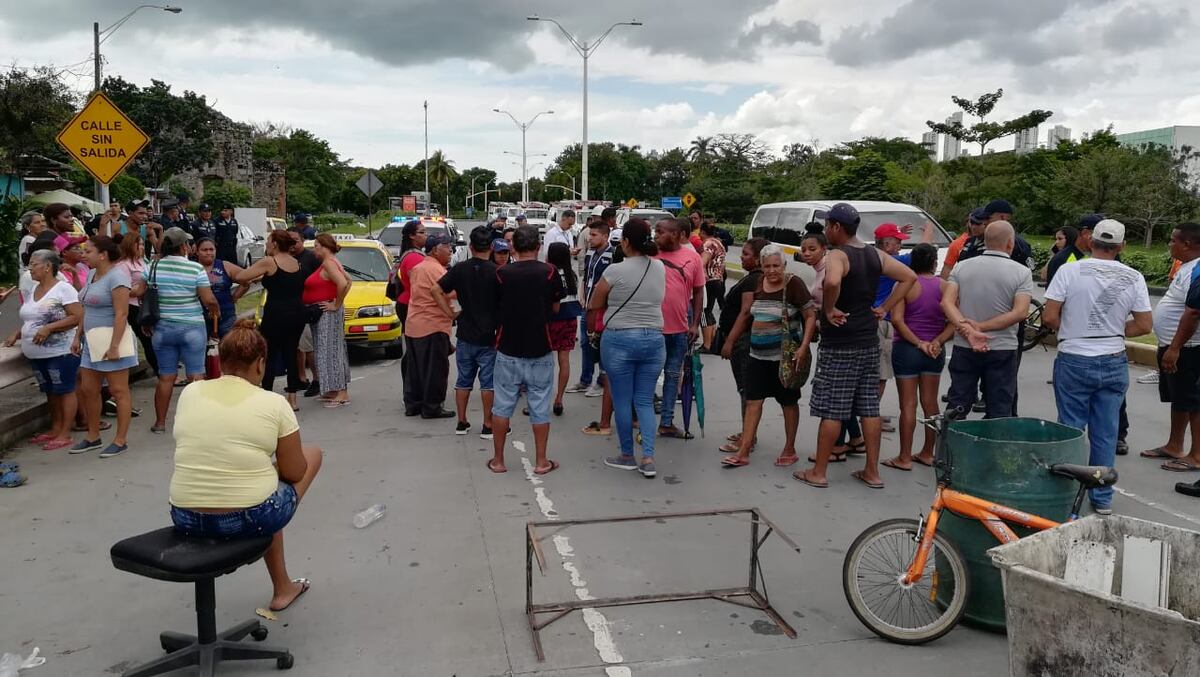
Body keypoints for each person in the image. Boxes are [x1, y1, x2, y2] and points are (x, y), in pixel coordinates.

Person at [169, 318, 323, 612]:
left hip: (185, 516)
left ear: (222, 362)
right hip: (250, 517)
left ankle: (282, 587)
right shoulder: (274, 403)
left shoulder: (191, 392)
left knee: (260, 481)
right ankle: (281, 589)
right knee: (310, 455)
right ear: (260, 364)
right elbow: (294, 473)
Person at [795, 203, 916, 490]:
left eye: (828, 226)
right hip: (867, 340)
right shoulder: (874, 254)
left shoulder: (839, 254)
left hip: (841, 343)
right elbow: (908, 277)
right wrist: (883, 307)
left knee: (834, 410)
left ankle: (819, 472)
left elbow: (833, 280)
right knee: (869, 408)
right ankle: (872, 472)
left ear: (837, 227)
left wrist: (829, 307)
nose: (826, 231)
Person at [1043, 219, 1151, 515]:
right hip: (1113, 356)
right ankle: (1102, 499)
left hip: (1075, 355)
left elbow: (1050, 318)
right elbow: (1144, 324)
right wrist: (1114, 330)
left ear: (1091, 242)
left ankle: (1066, 496)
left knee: (1072, 427)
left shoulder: (1068, 270)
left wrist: (1074, 329)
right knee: (1106, 431)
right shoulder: (1134, 276)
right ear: (1122, 246)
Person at [719, 244, 817, 468]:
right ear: (761, 267)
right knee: (754, 402)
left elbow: (810, 315)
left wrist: (802, 347)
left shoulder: (793, 284)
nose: (772, 270)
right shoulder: (758, 283)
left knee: (788, 403)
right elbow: (747, 315)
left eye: (776, 265)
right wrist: (730, 341)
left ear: (784, 265)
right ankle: (744, 450)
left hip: (784, 359)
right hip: (757, 356)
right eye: (767, 266)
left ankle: (789, 448)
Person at [588, 219, 665, 478]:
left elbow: (595, 304)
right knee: (644, 400)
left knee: (622, 400)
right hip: (654, 338)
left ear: (626, 242)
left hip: (620, 338)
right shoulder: (660, 267)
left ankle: (626, 455)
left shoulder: (614, 271)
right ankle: (649, 458)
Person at [487, 224, 565, 475]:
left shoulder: (501, 274)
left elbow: (496, 308)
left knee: (501, 406)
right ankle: (541, 461)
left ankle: (498, 460)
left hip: (507, 347)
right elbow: (555, 308)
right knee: (540, 406)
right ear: (538, 246)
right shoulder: (550, 272)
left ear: (513, 247)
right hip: (540, 347)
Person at [941, 221, 1034, 419]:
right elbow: (1020, 312)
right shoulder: (1022, 273)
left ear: (984, 241)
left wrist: (968, 329)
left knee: (957, 403)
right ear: (1010, 243)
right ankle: (994, 447)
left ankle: (950, 446)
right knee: (999, 407)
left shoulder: (961, 268)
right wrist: (982, 327)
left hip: (965, 345)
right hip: (1002, 347)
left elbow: (947, 303)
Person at [882, 244, 954, 471]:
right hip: (934, 351)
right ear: (934, 263)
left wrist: (918, 343)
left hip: (908, 349)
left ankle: (904, 456)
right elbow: (954, 321)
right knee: (931, 403)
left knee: (908, 405)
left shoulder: (904, 285)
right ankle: (927, 452)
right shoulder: (945, 286)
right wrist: (937, 341)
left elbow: (897, 320)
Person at [4, 249, 82, 451]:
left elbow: (76, 316)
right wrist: (18, 333)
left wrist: (50, 328)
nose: (30, 268)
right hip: (36, 353)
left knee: (65, 390)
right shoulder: (33, 290)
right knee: (50, 391)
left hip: (60, 351)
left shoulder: (63, 289)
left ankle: (65, 432)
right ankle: (55, 428)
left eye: (34, 264)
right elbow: (33, 318)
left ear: (48, 267)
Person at [149, 228, 220, 434]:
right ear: (183, 247)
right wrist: (215, 310)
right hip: (192, 327)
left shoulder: (153, 267)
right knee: (196, 376)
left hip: (162, 329)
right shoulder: (195, 269)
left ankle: (160, 422)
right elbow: (208, 299)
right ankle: (197, 424)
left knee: (166, 377)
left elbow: (141, 292)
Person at [73, 236, 136, 458]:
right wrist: (77, 336)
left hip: (112, 340)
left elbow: (122, 314)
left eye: (88, 251)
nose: (83, 254)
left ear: (103, 254)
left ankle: (120, 440)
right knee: (88, 389)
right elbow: (86, 308)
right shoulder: (91, 275)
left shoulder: (117, 277)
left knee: (118, 391)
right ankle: (93, 435)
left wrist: (114, 346)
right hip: (91, 341)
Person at [1143, 222, 1200, 467]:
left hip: (1188, 348)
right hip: (1172, 344)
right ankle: (1175, 445)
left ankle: (1196, 456)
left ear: (1187, 244)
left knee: (1194, 401)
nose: (1169, 244)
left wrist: (1175, 347)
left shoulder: (1198, 269)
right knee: (1180, 398)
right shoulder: (1185, 267)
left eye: (1172, 240)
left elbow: (1194, 313)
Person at [435, 226, 500, 437]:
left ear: (471, 247)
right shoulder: (497, 272)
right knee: (488, 383)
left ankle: (462, 422)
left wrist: (450, 313)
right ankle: (488, 424)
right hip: (489, 334)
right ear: (490, 247)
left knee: (464, 379)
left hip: (465, 332)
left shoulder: (460, 269)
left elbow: (436, 290)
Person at [236, 231, 308, 409]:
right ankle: (292, 399)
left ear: (275, 244)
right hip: (297, 313)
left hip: (276, 314)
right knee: (291, 352)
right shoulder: (296, 262)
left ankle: (267, 394)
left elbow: (241, 277)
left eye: (268, 240)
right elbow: (284, 280)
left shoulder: (270, 261)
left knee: (269, 354)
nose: (266, 244)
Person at [653, 217, 705, 440]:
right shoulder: (650, 255)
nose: (655, 236)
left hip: (679, 328)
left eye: (660, 232)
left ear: (675, 235)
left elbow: (699, 291)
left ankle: (666, 422)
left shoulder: (692, 257)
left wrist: (694, 324)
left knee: (673, 375)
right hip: (652, 328)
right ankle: (640, 418)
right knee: (648, 376)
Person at [717, 237, 769, 454]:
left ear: (758, 258)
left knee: (747, 390)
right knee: (746, 390)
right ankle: (747, 432)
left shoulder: (752, 281)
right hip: (743, 339)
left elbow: (746, 312)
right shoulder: (753, 278)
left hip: (743, 341)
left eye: (746, 254)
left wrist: (730, 341)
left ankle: (748, 438)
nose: (741, 256)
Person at [402, 234, 455, 418]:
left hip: (414, 324)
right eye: (446, 246)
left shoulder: (418, 268)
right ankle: (432, 406)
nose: (450, 250)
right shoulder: (436, 270)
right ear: (435, 250)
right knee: (435, 369)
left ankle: (413, 404)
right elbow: (450, 292)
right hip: (432, 325)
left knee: (415, 370)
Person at [304, 233, 352, 408]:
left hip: (327, 313)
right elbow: (349, 280)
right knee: (328, 349)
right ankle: (333, 388)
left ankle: (341, 391)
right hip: (323, 312)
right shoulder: (332, 262)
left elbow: (342, 283)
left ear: (324, 246)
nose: (314, 249)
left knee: (330, 350)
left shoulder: (329, 263)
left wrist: (336, 304)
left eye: (316, 245)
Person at [569, 219, 614, 399]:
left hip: (601, 309)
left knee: (601, 345)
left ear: (605, 236)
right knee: (585, 344)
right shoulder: (590, 253)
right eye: (589, 235)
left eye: (594, 235)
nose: (590, 239)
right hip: (586, 305)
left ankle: (601, 381)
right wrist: (582, 293)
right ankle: (585, 379)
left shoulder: (612, 255)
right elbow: (587, 277)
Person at [114, 234, 158, 373]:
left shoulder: (142, 261)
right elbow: (122, 290)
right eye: (137, 244)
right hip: (132, 306)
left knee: (153, 339)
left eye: (142, 244)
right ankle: (160, 372)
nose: (141, 247)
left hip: (145, 304)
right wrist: (141, 289)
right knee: (148, 340)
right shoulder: (123, 265)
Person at [195, 238, 246, 338]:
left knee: (228, 348)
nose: (209, 253)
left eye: (211, 249)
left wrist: (235, 297)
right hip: (199, 318)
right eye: (204, 250)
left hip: (226, 316)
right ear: (197, 252)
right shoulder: (193, 268)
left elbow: (246, 281)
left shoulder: (225, 265)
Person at [700, 221, 728, 352]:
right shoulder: (719, 243)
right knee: (709, 310)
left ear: (703, 232)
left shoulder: (708, 244)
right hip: (718, 280)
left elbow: (702, 262)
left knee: (704, 311)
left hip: (709, 280)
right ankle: (711, 341)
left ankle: (706, 345)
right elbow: (722, 265)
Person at [940, 209, 986, 280]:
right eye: (972, 222)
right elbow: (947, 269)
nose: (973, 226)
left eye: (977, 223)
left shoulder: (992, 242)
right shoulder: (959, 243)